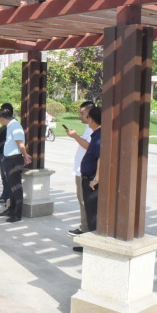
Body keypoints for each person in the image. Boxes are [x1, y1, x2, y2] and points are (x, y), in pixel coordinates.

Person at [74, 106, 102, 253]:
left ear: (91, 119)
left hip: (92, 181)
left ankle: (93, 247)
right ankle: (90, 244)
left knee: (93, 215)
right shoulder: (96, 133)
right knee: (90, 212)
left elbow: (101, 157)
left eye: (86, 115)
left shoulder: (100, 135)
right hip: (88, 178)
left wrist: (96, 178)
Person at [65, 101, 95, 236]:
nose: (80, 116)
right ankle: (84, 227)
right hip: (80, 169)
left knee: (85, 201)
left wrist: (75, 136)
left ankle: (86, 230)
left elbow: (89, 146)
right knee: (82, 200)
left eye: (82, 113)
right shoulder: (89, 127)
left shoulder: (96, 129)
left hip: (86, 172)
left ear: (90, 114)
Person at [0, 107, 32, 222]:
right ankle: (11, 209)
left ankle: (17, 214)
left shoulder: (15, 126)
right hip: (9, 159)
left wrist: (25, 155)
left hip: (14, 160)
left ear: (1, 118)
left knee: (16, 187)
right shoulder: (10, 125)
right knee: (11, 186)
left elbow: (20, 143)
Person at [0, 102, 13, 204]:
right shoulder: (6, 124)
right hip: (1, 152)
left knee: (6, 176)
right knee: (4, 175)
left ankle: (7, 196)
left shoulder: (11, 125)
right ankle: (5, 195)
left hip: (5, 154)